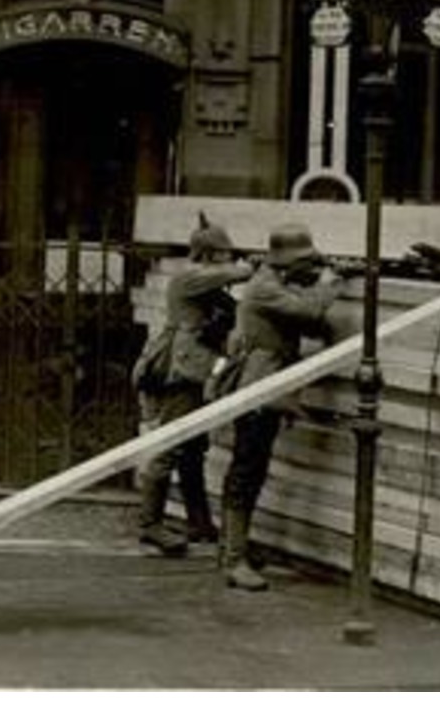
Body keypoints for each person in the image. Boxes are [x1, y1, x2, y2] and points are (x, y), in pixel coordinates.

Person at [218, 221, 343, 591]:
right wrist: (328, 284)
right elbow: (309, 314)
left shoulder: (274, 282)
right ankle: (234, 560)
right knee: (247, 470)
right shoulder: (265, 287)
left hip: (267, 387)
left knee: (247, 468)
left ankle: (231, 548)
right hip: (258, 388)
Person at [137, 214, 253, 557]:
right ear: (208, 254)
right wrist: (263, 265)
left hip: (197, 371)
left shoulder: (209, 287)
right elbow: (238, 273)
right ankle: (149, 525)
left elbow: (240, 306)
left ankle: (199, 523)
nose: (228, 259)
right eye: (223, 253)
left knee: (192, 448)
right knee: (170, 445)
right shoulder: (189, 278)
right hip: (181, 371)